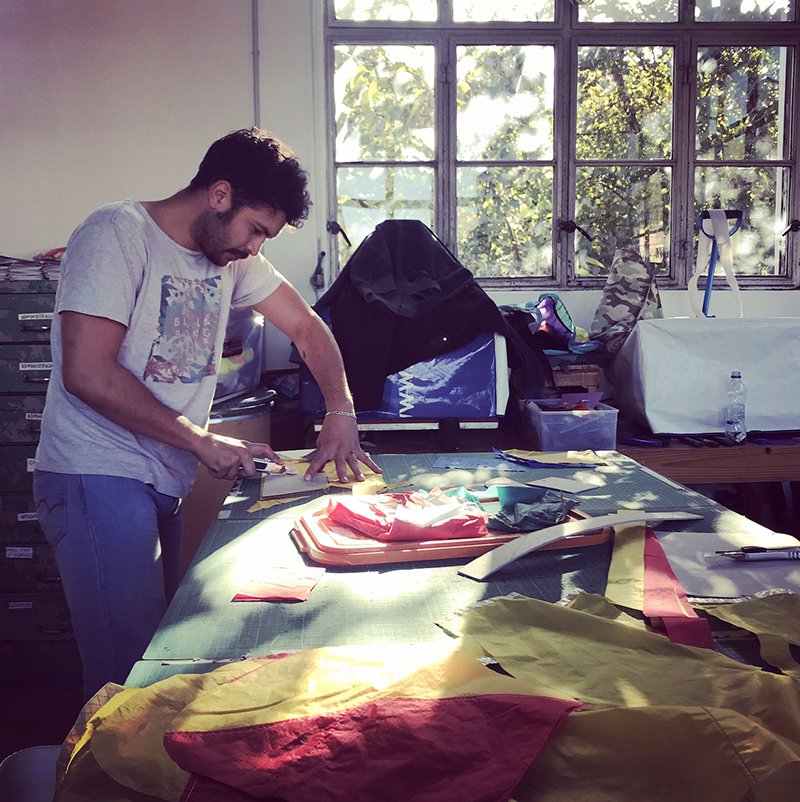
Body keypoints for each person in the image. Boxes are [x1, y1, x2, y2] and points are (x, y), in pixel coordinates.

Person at [33, 127, 379, 699]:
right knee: (127, 676)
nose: (255, 248)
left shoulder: (230, 259)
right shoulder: (117, 232)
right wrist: (201, 440)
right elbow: (88, 373)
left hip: (161, 475)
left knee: (157, 652)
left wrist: (340, 411)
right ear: (220, 195)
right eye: (256, 229)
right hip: (95, 472)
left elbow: (305, 326)